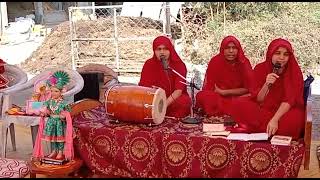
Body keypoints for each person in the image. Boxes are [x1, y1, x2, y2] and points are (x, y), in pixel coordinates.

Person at [220, 38, 305, 139]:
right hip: (264, 109)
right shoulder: (260, 68)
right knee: (238, 104)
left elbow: (289, 100)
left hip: (284, 111)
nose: (281, 58)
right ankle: (271, 130)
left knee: (295, 120)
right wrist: (267, 84)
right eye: (278, 53)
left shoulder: (294, 72)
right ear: (270, 54)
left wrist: (275, 120)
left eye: (286, 54)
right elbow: (259, 99)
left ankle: (262, 129)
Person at [195, 35, 253, 117]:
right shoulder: (215, 61)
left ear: (238, 49)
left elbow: (248, 89)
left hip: (238, 97)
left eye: (234, 48)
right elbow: (210, 88)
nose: (231, 51)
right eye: (227, 48)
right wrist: (219, 94)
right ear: (222, 49)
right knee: (203, 96)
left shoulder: (244, 62)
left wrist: (224, 92)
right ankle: (227, 111)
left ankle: (223, 111)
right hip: (219, 98)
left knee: (249, 101)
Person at [139, 35, 191, 118]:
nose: (162, 52)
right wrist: (155, 103)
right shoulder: (149, 64)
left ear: (170, 49)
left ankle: (161, 112)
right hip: (154, 100)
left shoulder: (179, 65)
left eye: (165, 49)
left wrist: (163, 106)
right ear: (154, 51)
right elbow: (143, 88)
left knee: (184, 102)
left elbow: (178, 91)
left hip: (172, 100)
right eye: (158, 49)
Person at [33, 70, 74, 161]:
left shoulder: (64, 103)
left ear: (61, 92)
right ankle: (54, 151)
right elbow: (40, 106)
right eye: (52, 91)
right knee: (52, 138)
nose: (53, 93)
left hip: (59, 123)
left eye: (56, 91)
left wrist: (64, 115)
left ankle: (60, 151)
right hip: (51, 122)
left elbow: (69, 111)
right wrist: (43, 111)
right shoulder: (49, 101)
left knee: (60, 138)